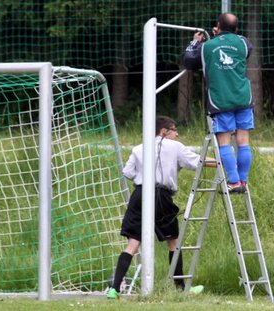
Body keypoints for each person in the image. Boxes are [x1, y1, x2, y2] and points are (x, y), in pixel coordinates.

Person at [106, 116, 205, 299]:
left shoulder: (138, 148)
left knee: (133, 244)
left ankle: (114, 289)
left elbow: (127, 171)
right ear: (164, 131)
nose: (176, 134)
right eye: (175, 130)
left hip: (139, 195)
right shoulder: (175, 146)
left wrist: (142, 179)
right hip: (161, 196)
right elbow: (197, 161)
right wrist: (223, 162)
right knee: (173, 242)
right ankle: (180, 288)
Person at [183, 12, 254, 193]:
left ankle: (234, 181)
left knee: (224, 142)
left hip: (220, 101)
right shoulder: (244, 43)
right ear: (236, 28)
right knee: (243, 141)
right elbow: (240, 44)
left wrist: (195, 42)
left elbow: (189, 61)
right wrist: (223, 35)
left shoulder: (207, 47)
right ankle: (243, 181)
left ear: (218, 27)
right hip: (243, 99)